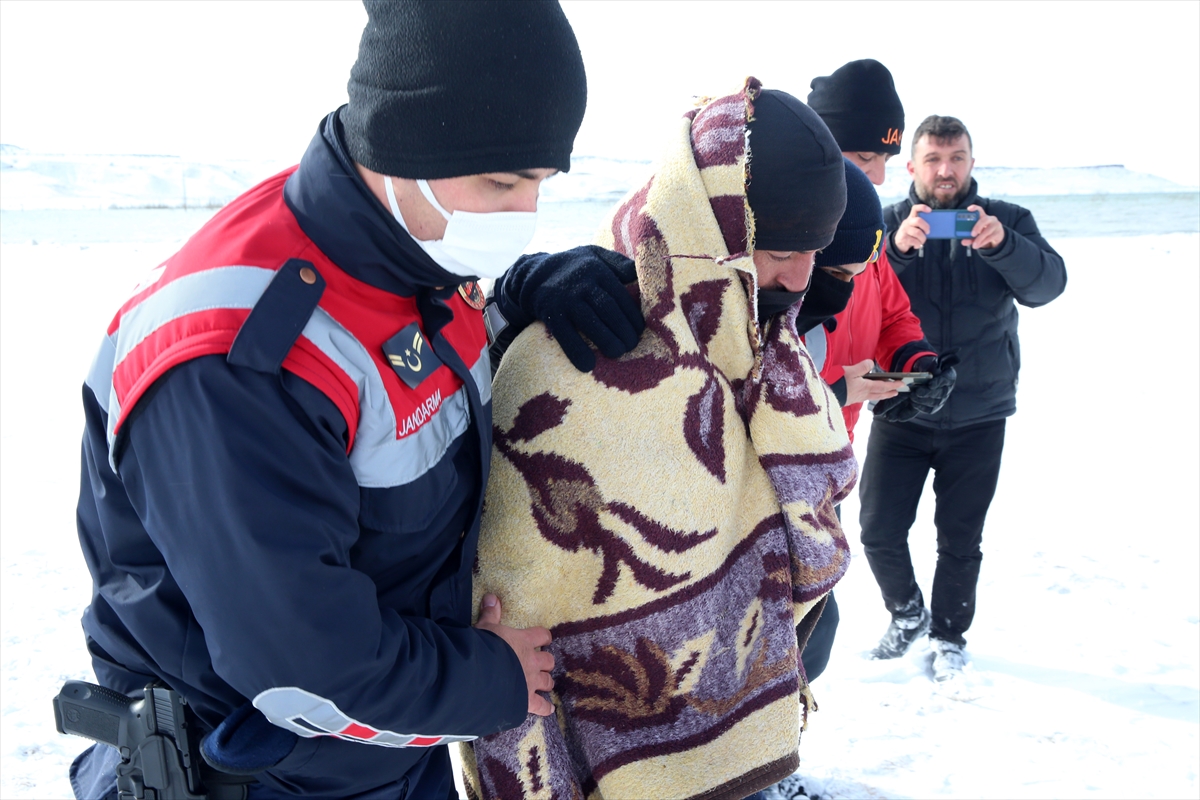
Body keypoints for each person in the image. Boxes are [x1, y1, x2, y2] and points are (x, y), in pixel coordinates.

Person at [67, 2, 647, 798]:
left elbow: (426, 348)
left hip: (392, 740)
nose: (524, 214)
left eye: (541, 183)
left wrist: (526, 290)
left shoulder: (408, 245)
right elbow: (302, 666)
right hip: (257, 765)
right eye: (503, 182)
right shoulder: (237, 365)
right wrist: (491, 682)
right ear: (405, 145)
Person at [464, 79, 857, 800]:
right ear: (720, 228)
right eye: (781, 249)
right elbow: (510, 586)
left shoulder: (767, 341)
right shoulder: (576, 342)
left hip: (749, 726)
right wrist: (513, 297)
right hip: (604, 750)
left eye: (818, 251)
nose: (799, 277)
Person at [860, 114, 1067, 680]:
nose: (945, 171)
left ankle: (949, 637)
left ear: (972, 163)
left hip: (980, 412)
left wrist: (1004, 246)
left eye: (956, 159)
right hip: (902, 406)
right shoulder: (881, 226)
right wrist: (895, 254)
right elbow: (849, 306)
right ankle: (906, 615)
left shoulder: (1010, 221)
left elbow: (1049, 286)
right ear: (912, 166)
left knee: (960, 539)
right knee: (878, 529)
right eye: (933, 159)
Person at [787, 60, 953, 685]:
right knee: (796, 628)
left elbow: (893, 315)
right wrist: (835, 390)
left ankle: (774, 759)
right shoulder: (779, 240)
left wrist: (917, 364)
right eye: (863, 157)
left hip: (835, 452)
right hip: (777, 463)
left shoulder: (868, 235)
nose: (878, 178)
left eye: (885, 159)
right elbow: (737, 386)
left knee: (811, 626)